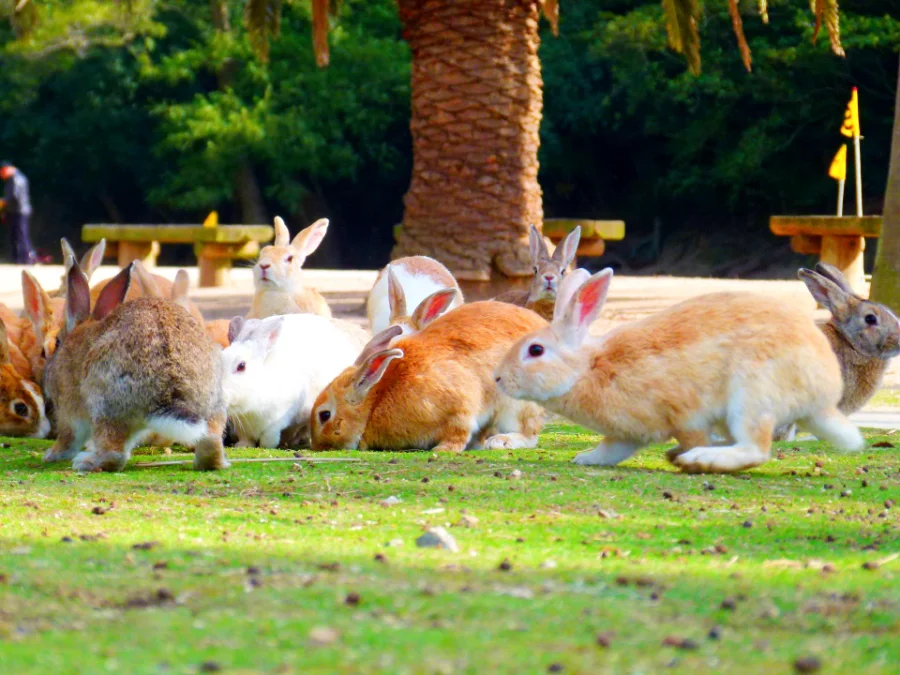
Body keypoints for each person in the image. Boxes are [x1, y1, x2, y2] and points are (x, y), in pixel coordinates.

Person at [0, 161, 37, 264]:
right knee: (16, 235)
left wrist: (3, 202)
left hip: (19, 212)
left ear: (8, 169)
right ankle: (18, 259)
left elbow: (13, 197)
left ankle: (26, 259)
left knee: (21, 235)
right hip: (15, 211)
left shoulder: (16, 179)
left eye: (2, 172)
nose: (1, 175)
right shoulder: (14, 179)